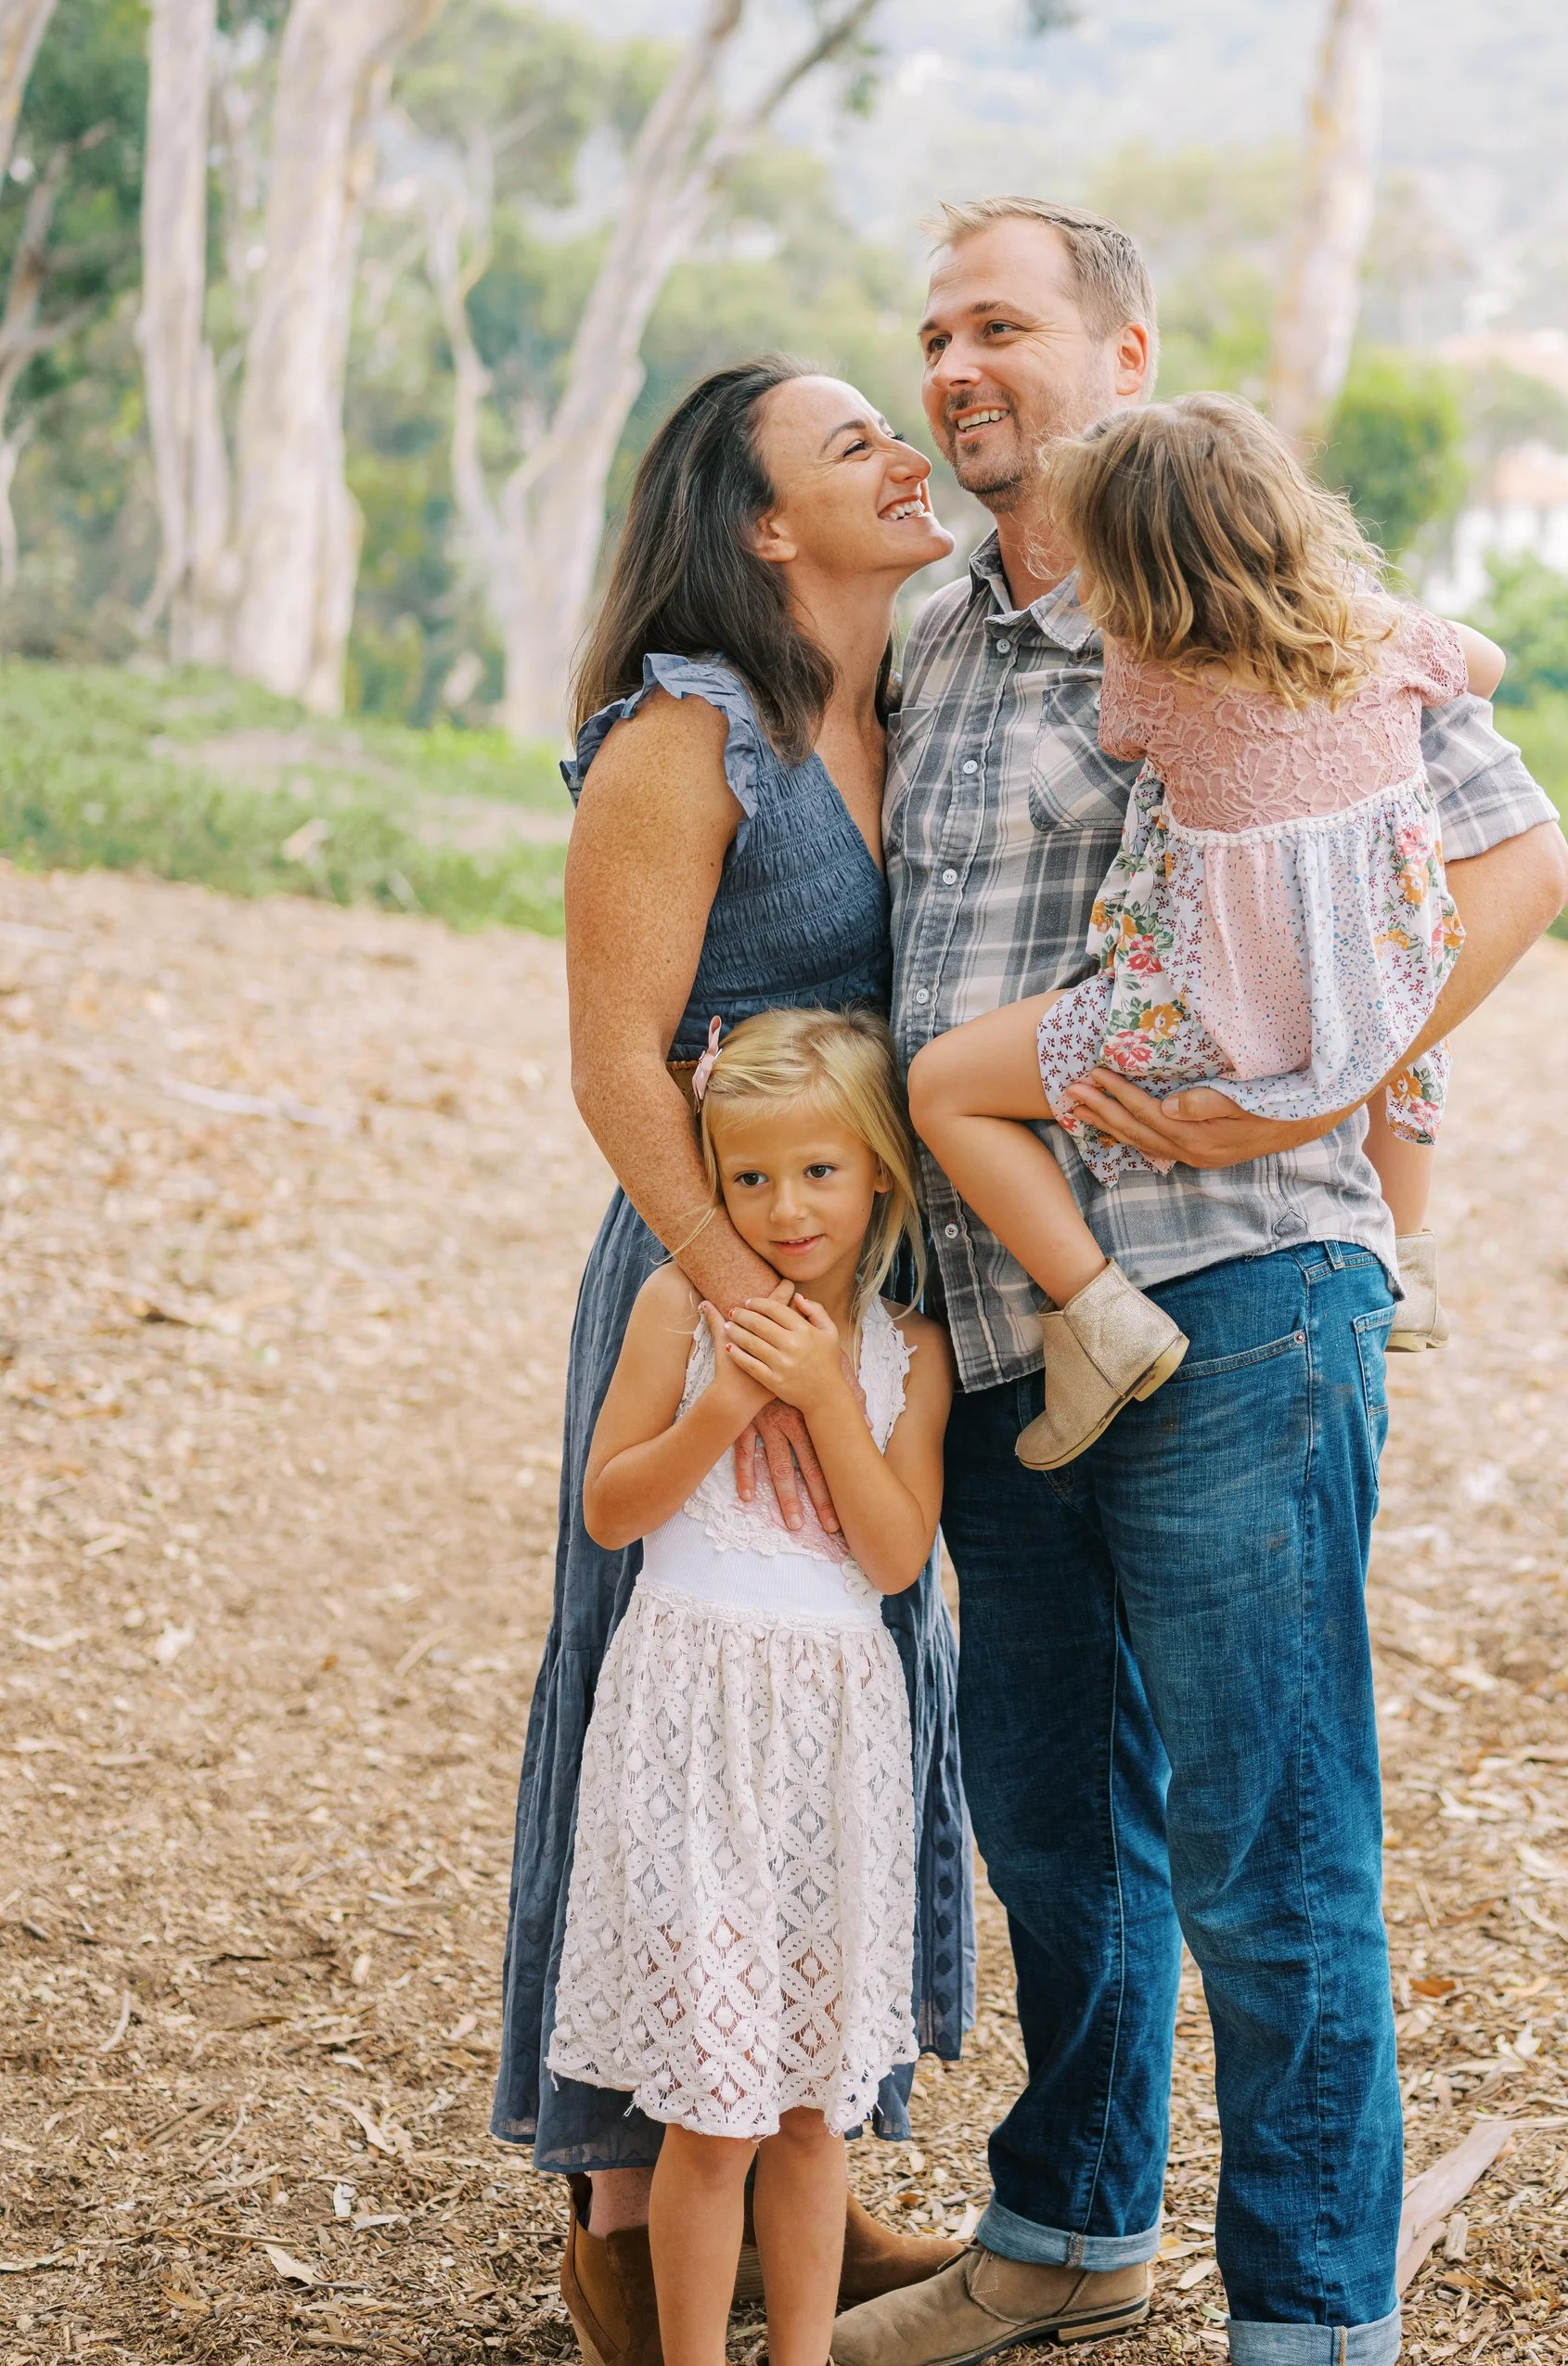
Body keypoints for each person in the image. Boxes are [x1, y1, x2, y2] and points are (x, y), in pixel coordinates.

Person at [834, 199, 1568, 2366]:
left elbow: (1522, 863)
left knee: (1272, 1849)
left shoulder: (1268, 607)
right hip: (992, 1320)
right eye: (932, 333)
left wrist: (1314, 1090)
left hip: (1244, 1294)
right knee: (1056, 1830)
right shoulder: (936, 634)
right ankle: (1067, 2231)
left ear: (1126, 353)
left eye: (1002, 327)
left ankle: (1315, 2323)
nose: (957, 367)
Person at [493, 358, 974, 2366]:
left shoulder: (918, 694)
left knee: (852, 1688)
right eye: (848, 435)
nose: (902, 444)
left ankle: (799, 2138)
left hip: (862, 1281)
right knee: (660, 1701)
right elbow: (615, 1065)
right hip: (717, 1275)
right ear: (764, 525)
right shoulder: (690, 737)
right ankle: (622, 2219)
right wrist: (742, 1312)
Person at [908, 392, 1505, 1467]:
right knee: (1405, 992)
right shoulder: (1390, 638)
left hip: (1204, 1018)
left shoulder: (1151, 675)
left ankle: (1098, 1316)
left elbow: (1127, 743)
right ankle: (1406, 1254)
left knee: (942, 1086)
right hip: (1370, 994)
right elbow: (1486, 663)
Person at [549, 1009, 954, 2366]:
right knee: (712, 2108)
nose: (787, 1209)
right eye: (749, 1179)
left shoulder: (910, 1348)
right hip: (688, 1723)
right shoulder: (680, 1306)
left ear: (881, 1171)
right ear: (712, 1184)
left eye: (820, 1172)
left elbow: (897, 1556)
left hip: (832, 1743)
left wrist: (829, 1398)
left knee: (806, 2112)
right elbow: (610, 1510)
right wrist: (722, 1407)